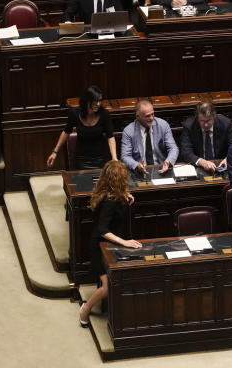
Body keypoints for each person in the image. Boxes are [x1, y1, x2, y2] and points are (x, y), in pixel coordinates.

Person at [77, 160, 141, 328]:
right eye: (124, 178)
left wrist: (125, 193)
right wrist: (124, 242)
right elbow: (102, 230)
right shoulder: (110, 202)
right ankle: (85, 309)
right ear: (117, 180)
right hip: (100, 246)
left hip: (109, 245)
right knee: (106, 287)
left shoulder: (108, 192)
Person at [47, 85, 116, 170]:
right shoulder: (75, 113)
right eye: (95, 101)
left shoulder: (104, 114)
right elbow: (66, 132)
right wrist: (55, 152)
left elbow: (110, 137)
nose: (98, 104)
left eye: (100, 101)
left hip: (101, 159)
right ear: (87, 100)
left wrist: (114, 158)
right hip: (82, 159)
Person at [119, 100, 178, 174]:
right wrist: (136, 165)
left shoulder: (163, 125)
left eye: (152, 114)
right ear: (138, 116)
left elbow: (173, 148)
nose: (151, 118)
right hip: (139, 170)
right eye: (147, 116)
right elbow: (125, 156)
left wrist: (168, 161)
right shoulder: (129, 131)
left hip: (162, 168)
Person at [179, 101, 232, 172]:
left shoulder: (225, 124)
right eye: (202, 121)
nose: (206, 125)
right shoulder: (189, 126)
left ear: (214, 117)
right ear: (197, 119)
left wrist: (229, 158)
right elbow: (186, 152)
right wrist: (201, 161)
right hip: (199, 167)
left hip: (221, 165)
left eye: (209, 120)